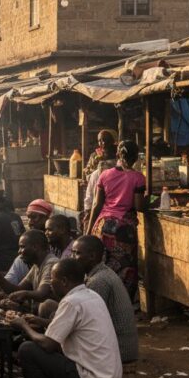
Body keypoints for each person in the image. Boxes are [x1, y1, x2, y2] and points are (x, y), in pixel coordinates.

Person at [12, 258, 122, 378]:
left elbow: (49, 344)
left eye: (53, 280)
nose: (50, 285)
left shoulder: (71, 302)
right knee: (43, 349)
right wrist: (39, 322)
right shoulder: (91, 295)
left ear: (64, 281)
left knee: (27, 350)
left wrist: (23, 326)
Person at [88, 140, 147, 297]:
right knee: (125, 268)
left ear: (117, 155)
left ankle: (100, 299)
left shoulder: (104, 175)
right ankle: (121, 303)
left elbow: (96, 204)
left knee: (102, 265)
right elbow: (139, 206)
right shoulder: (138, 178)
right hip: (123, 229)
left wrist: (89, 230)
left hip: (102, 225)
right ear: (136, 157)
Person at [72, 236, 139, 365]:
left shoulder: (98, 281)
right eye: (73, 253)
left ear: (92, 256)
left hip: (119, 352)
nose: (73, 257)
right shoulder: (100, 273)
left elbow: (87, 322)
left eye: (77, 253)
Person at [0, 230, 59, 312]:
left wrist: (24, 294)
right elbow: (18, 289)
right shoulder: (36, 265)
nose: (19, 251)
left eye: (22, 247)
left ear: (35, 247)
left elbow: (42, 294)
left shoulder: (51, 263)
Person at [4, 200, 56, 283]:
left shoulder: (54, 241)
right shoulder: (29, 238)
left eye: (34, 217)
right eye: (29, 218)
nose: (30, 222)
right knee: (20, 259)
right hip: (33, 278)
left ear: (46, 218)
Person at [82, 133, 118, 230]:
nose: (102, 143)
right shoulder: (94, 156)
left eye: (105, 140)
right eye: (100, 140)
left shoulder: (118, 156)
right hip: (96, 188)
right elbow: (88, 174)